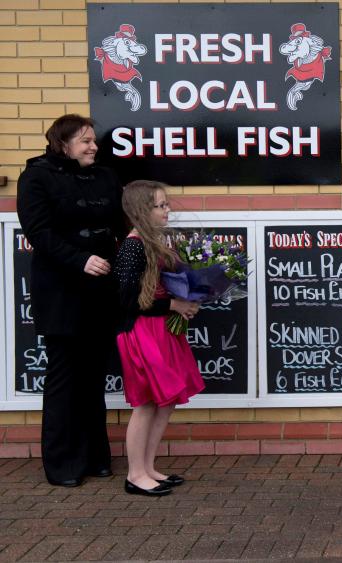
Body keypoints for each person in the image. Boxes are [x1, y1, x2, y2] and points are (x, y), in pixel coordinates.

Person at [16, 114, 126, 487]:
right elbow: (38, 231)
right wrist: (79, 259)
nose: (94, 146)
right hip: (62, 288)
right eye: (85, 141)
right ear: (63, 144)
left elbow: (121, 225)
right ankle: (63, 464)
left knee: (94, 375)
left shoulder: (106, 176)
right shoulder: (36, 176)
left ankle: (96, 457)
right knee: (64, 376)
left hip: (100, 287)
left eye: (94, 140)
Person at [115, 180, 203, 496]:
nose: (167, 210)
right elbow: (125, 299)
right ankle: (135, 474)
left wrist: (187, 302)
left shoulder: (158, 243)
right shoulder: (133, 246)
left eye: (166, 204)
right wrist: (173, 304)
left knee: (165, 404)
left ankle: (149, 466)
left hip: (164, 330)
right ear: (142, 210)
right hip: (142, 332)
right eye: (160, 205)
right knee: (147, 403)